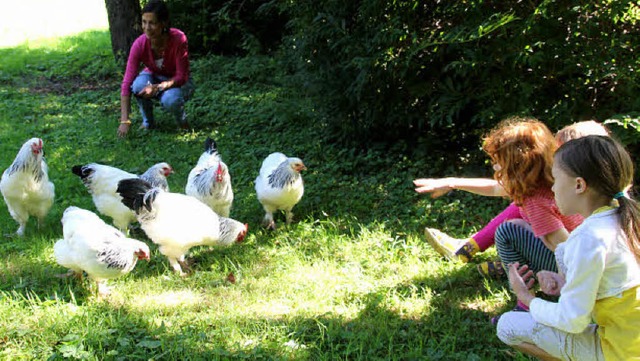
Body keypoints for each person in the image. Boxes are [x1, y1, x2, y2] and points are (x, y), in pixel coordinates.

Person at [497, 135, 640, 360]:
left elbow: (572, 320)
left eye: (555, 179)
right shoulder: (628, 220)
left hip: (621, 352)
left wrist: (527, 298)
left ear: (579, 185)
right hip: (630, 339)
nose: (553, 187)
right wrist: (565, 284)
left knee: (507, 326)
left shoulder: (588, 237)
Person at [414, 120, 608, 277]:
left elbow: (568, 251)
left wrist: (567, 285)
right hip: (587, 260)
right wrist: (452, 182)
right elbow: (494, 188)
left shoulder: (536, 200)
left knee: (507, 232)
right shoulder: (547, 181)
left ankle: (523, 298)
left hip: (579, 268)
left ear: (518, 166)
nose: (495, 168)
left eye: (498, 163)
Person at [117, 0, 194, 137]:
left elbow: (181, 76)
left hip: (179, 82)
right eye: (144, 22)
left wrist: (157, 87)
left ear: (163, 23)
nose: (146, 27)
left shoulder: (178, 38)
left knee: (170, 99)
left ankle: (182, 124)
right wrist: (125, 120)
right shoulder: (139, 44)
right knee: (138, 85)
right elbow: (126, 82)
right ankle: (148, 123)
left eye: (152, 23)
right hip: (154, 76)